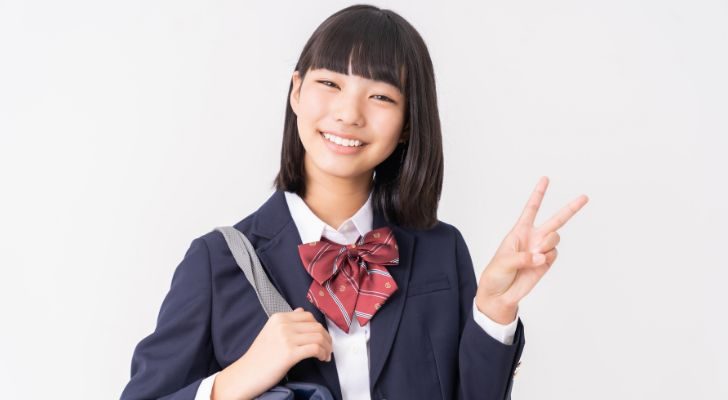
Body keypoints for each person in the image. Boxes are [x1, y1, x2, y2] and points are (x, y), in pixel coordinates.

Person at [120, 4, 588, 400]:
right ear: (296, 91)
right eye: (330, 84)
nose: (349, 113)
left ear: (407, 123)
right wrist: (234, 381)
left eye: (381, 95)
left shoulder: (440, 251)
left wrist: (494, 310)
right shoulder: (217, 261)